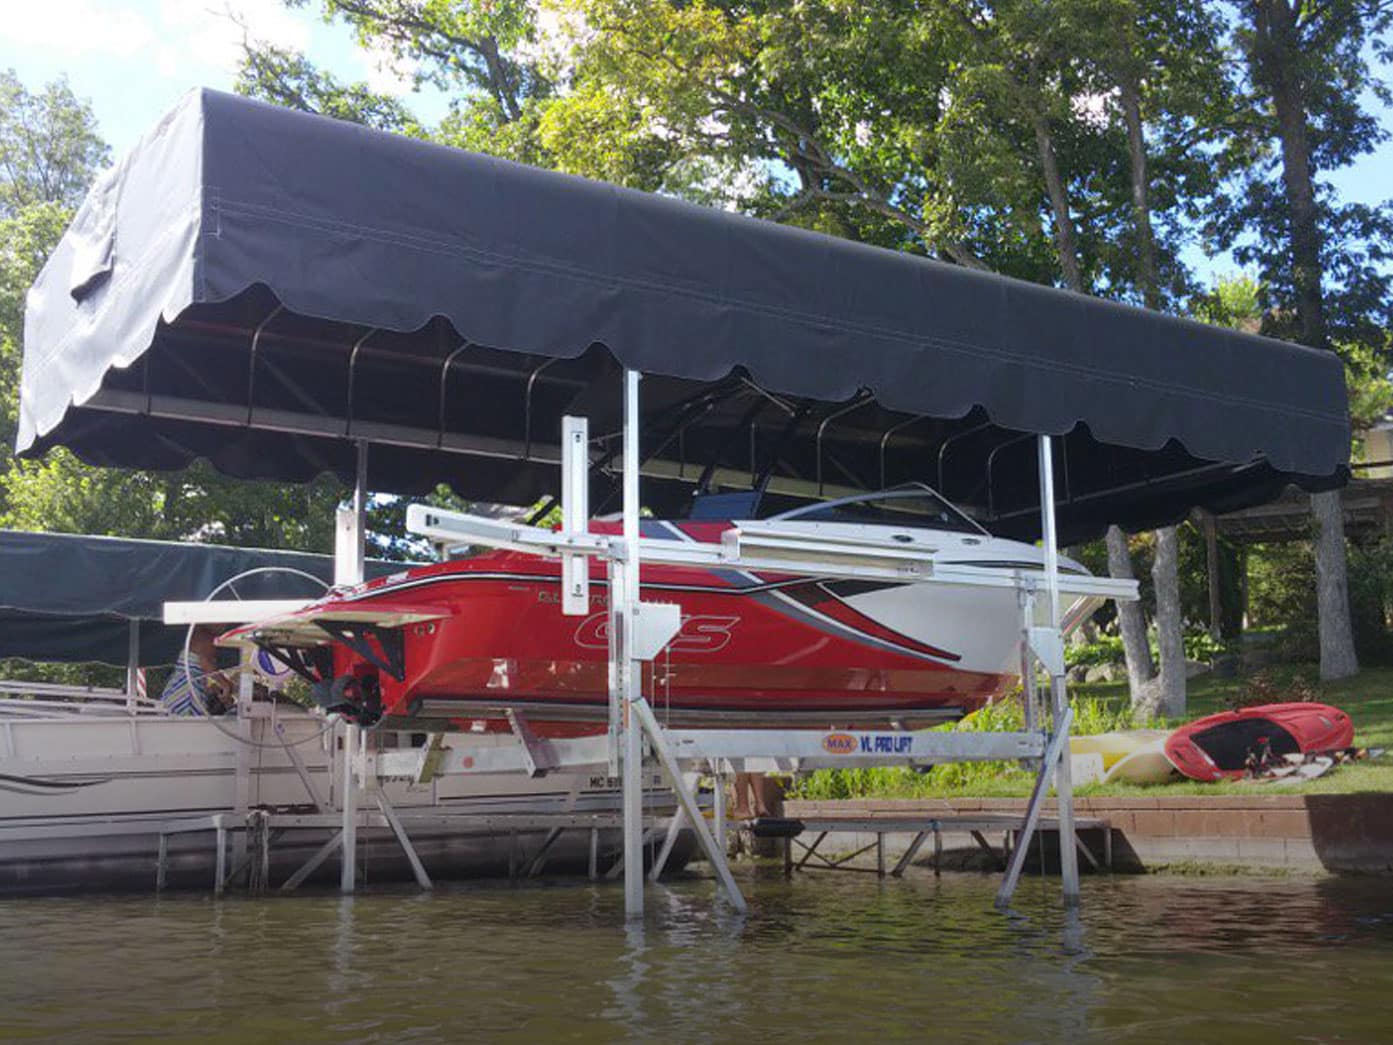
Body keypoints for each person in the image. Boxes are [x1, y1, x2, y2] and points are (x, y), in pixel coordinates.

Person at [160, 626, 233, 716]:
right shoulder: (205, 636)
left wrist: (213, 688)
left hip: (177, 691)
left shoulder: (196, 636)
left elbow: (199, 673)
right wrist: (225, 684)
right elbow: (205, 663)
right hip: (186, 695)